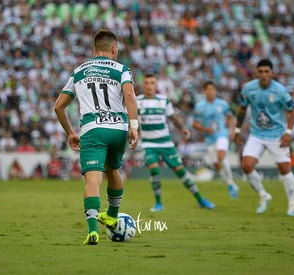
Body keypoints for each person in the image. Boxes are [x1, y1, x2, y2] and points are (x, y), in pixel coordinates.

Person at [54, 29, 139, 245]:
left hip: (93, 129)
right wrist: (134, 126)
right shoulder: (122, 69)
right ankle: (111, 214)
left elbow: (58, 107)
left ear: (94, 50)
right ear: (114, 49)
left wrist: (71, 133)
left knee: (93, 179)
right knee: (113, 170)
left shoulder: (79, 71)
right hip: (118, 128)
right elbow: (129, 95)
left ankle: (93, 231)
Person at [137, 74, 215, 212]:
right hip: (148, 143)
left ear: (156, 85)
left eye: (152, 83)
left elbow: (172, 118)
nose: (149, 86)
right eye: (147, 83)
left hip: (166, 143)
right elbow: (132, 121)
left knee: (181, 173)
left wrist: (183, 129)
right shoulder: (137, 101)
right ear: (143, 85)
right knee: (154, 170)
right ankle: (158, 203)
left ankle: (201, 199)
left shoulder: (163, 100)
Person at [234, 58, 294, 217]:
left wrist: (288, 133)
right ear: (256, 72)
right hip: (257, 134)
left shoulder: (280, 90)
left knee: (284, 169)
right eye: (260, 71)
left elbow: (292, 111)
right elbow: (242, 109)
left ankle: (292, 205)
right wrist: (237, 131)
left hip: (277, 135)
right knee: (246, 165)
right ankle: (263, 195)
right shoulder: (249, 89)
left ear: (272, 73)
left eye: (266, 72)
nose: (263, 75)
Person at [192, 80, 239, 199]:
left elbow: (230, 117)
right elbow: (195, 124)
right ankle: (230, 184)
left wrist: (232, 130)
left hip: (221, 134)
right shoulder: (200, 106)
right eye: (208, 89)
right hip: (209, 138)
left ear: (215, 91)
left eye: (213, 89)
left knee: (221, 156)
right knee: (217, 165)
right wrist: (205, 129)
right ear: (204, 91)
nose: (211, 92)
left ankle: (231, 182)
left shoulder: (222, 104)